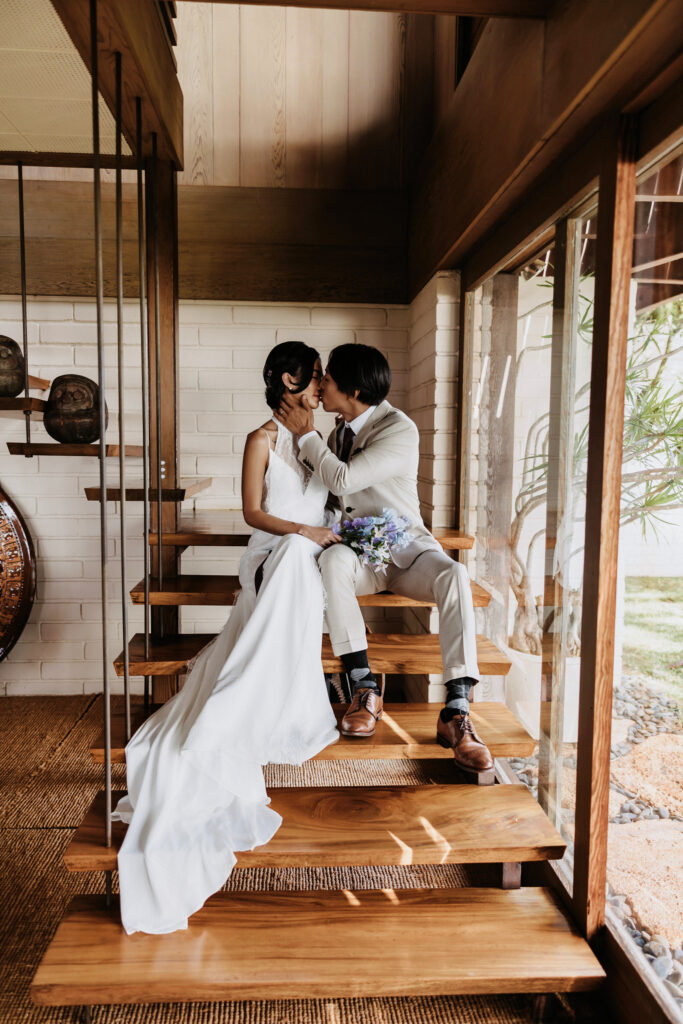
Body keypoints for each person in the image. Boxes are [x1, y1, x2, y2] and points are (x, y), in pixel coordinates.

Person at [112, 341, 339, 935]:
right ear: (290, 379)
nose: (323, 385)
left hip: (309, 553)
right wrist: (305, 531)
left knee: (301, 558)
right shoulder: (259, 440)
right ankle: (239, 699)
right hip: (271, 553)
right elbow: (251, 515)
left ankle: (263, 690)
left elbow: (339, 495)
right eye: (316, 376)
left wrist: (327, 533)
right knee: (290, 553)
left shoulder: (324, 440)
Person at [275, 343, 494, 774]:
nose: (322, 384)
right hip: (362, 556)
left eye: (329, 379)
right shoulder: (339, 430)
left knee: (454, 575)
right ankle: (362, 687)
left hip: (409, 554)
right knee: (333, 562)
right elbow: (336, 496)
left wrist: (305, 435)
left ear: (353, 389)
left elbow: (342, 477)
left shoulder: (400, 429)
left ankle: (457, 709)